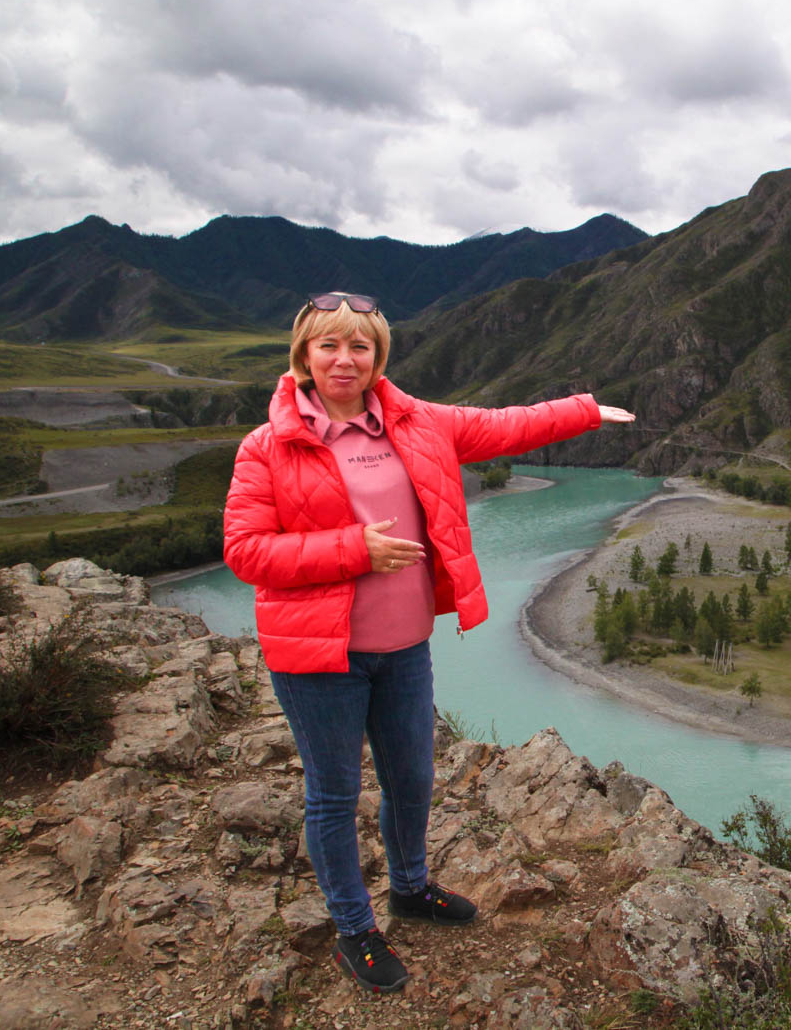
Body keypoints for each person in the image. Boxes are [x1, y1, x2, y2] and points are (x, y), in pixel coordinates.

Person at [223, 291, 634, 993]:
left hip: (404, 646)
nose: (344, 359)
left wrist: (585, 411)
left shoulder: (417, 424)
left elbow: (505, 426)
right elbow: (246, 550)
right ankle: (356, 931)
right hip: (322, 656)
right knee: (333, 793)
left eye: (360, 345)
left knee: (412, 777)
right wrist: (352, 549)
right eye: (329, 345)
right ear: (304, 355)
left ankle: (411, 887)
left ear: (378, 356)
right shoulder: (269, 445)